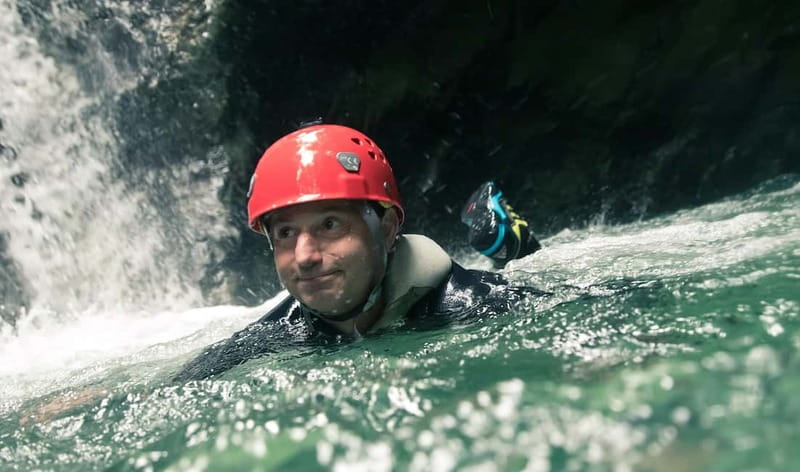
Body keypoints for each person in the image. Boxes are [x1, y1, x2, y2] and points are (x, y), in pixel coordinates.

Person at [174, 124, 543, 382]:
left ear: (385, 229)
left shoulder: (479, 303)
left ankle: (512, 240)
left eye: (330, 225)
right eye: (286, 233)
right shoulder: (277, 332)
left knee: (528, 266)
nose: (304, 256)